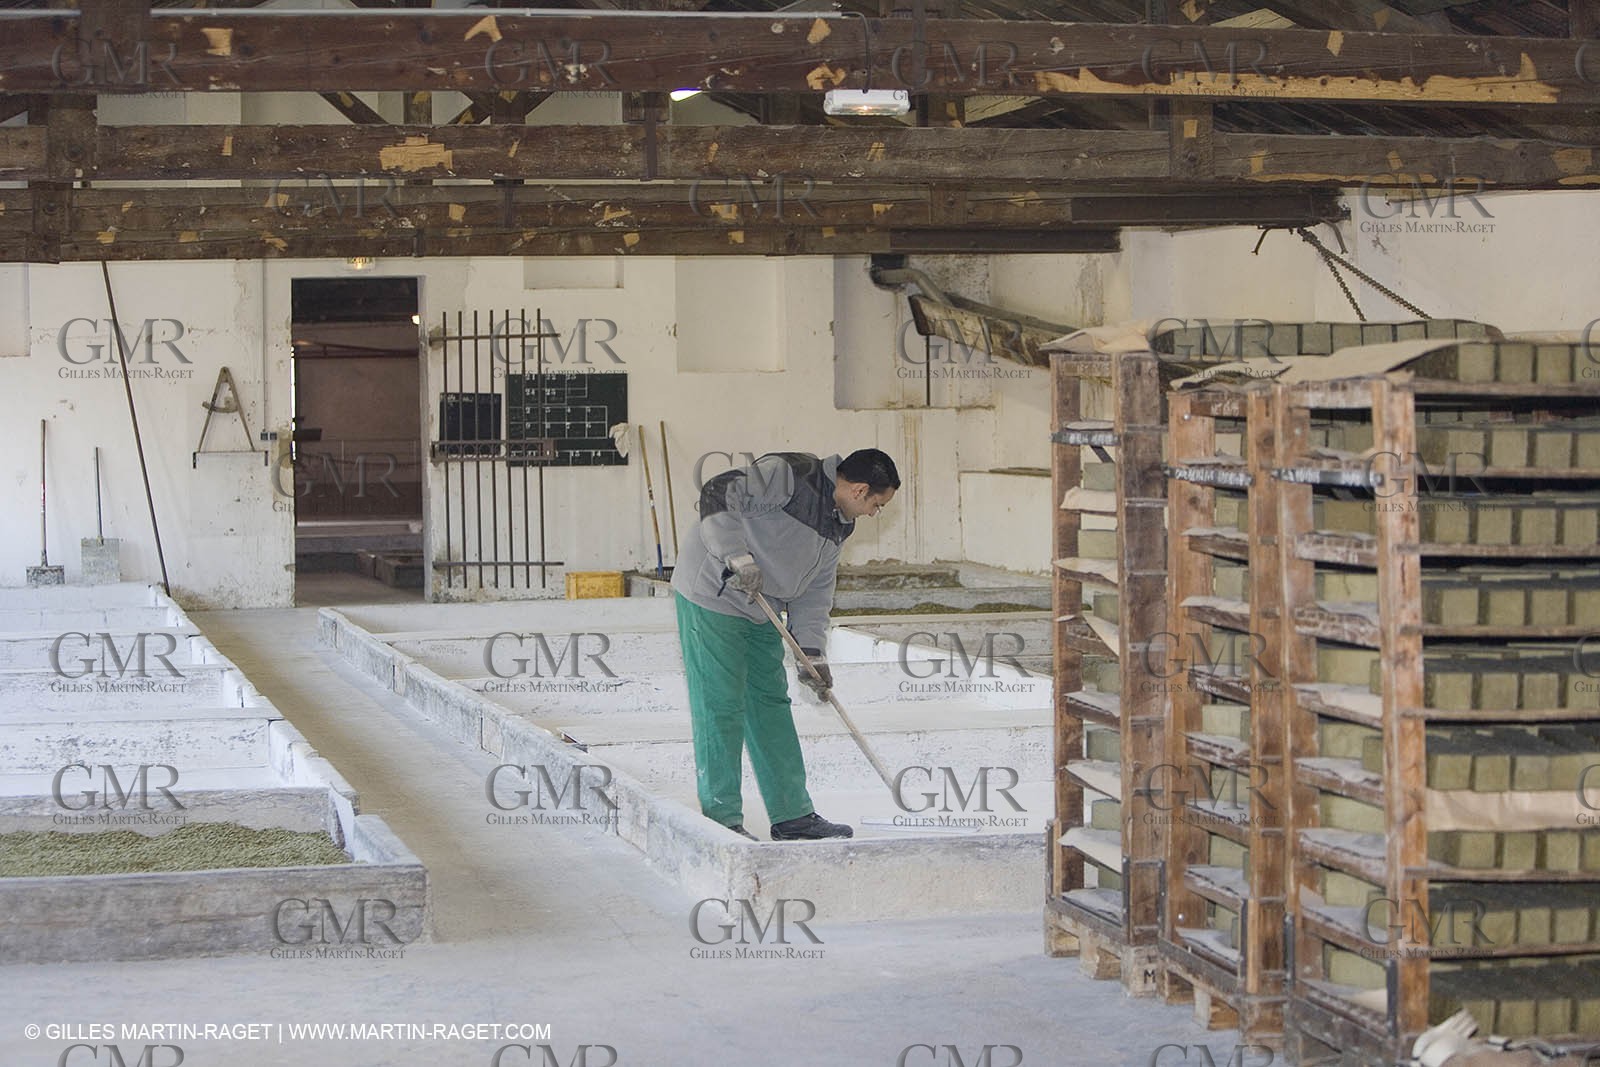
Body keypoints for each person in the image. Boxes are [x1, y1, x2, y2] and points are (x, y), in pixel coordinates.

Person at [670, 448, 900, 841]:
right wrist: (736, 556)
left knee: (770, 703)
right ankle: (721, 819)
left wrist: (811, 653)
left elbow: (815, 591)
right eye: (877, 504)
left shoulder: (839, 523)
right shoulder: (791, 474)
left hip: (762, 605)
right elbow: (717, 492)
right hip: (714, 591)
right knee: (721, 702)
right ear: (860, 490)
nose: (874, 514)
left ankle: (792, 816)